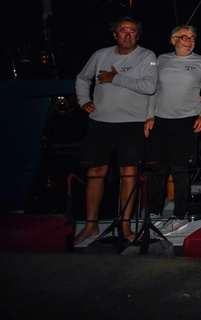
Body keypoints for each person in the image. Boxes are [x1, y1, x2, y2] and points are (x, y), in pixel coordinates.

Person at [73, 17, 158, 245]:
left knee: (128, 174)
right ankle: (91, 225)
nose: (127, 35)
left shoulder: (146, 56)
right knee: (95, 173)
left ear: (138, 35)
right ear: (115, 34)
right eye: (123, 31)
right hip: (100, 122)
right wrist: (83, 101)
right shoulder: (101, 55)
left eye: (132, 31)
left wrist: (116, 78)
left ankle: (125, 225)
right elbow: (82, 79)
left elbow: (150, 86)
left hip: (131, 123)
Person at [144, 25, 201, 235]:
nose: (188, 40)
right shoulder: (160, 60)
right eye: (184, 37)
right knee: (158, 169)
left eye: (192, 37)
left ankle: (180, 215)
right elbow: (152, 91)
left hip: (188, 120)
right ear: (172, 40)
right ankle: (153, 213)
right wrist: (149, 116)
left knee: (181, 169)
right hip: (161, 120)